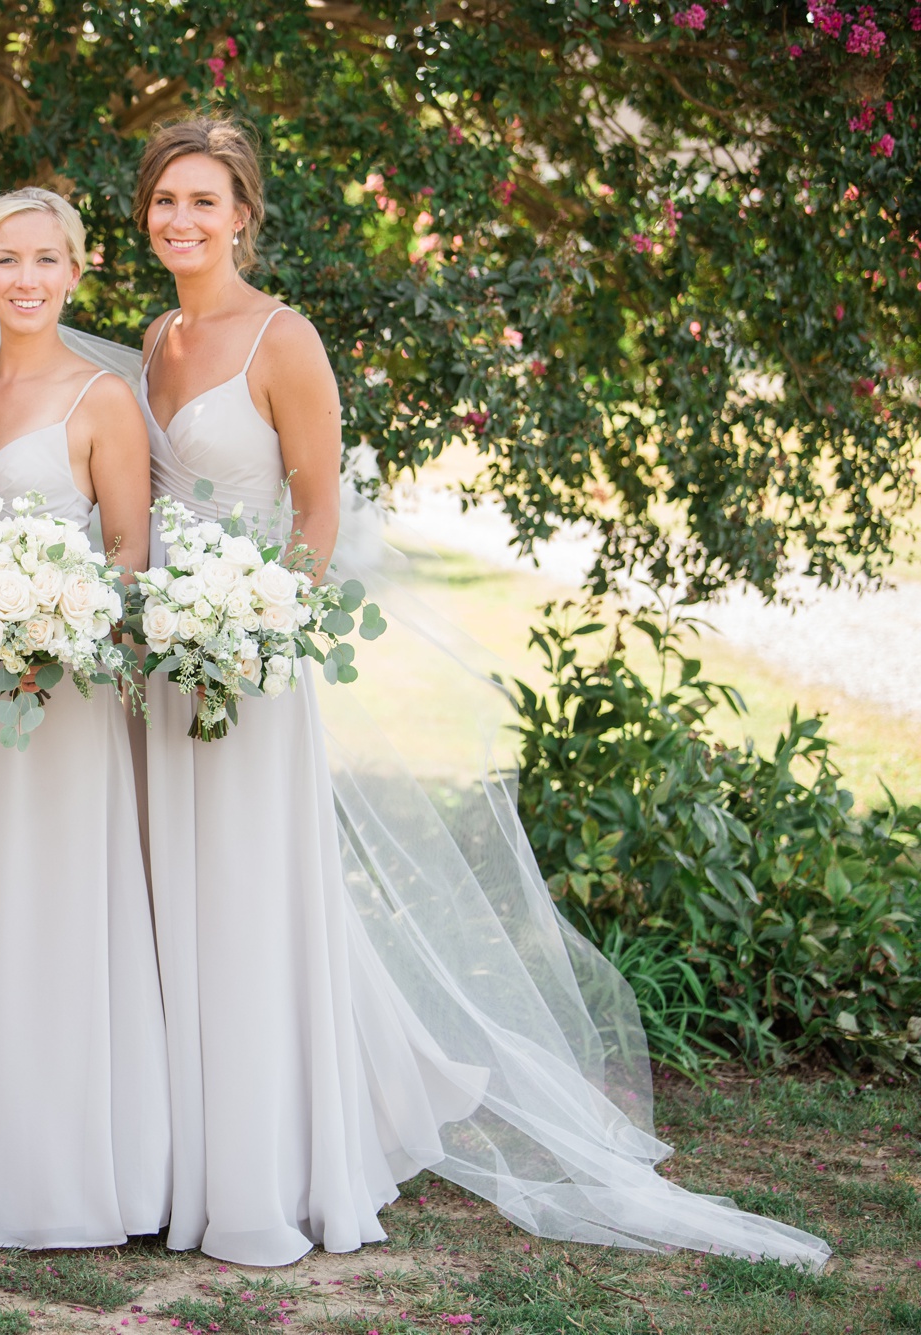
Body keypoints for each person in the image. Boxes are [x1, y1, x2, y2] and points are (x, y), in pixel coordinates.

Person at [131, 115, 830, 1268]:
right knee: (180, 907)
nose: (181, 220)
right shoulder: (155, 336)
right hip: (167, 666)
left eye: (203, 201)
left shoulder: (283, 338)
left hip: (250, 668)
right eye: (164, 201)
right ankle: (185, 1154)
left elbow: (314, 513)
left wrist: (259, 630)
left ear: (243, 214)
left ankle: (266, 1168)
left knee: (251, 910)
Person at [0, 189, 171, 1248]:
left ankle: (76, 1175)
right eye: (4, 261)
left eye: (44, 261)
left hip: (59, 698)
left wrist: (52, 628)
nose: (23, 280)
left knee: (64, 914)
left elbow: (127, 553)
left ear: (75, 271)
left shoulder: (101, 397)